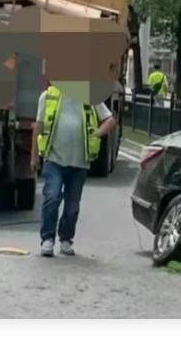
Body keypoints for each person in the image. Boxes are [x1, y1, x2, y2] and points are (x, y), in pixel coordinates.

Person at [31, 83, 116, 257]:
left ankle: (66, 239)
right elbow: (38, 127)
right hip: (54, 159)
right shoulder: (48, 96)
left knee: (72, 205)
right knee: (52, 197)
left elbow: (110, 120)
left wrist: (96, 134)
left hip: (79, 163)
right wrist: (34, 156)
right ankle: (47, 239)